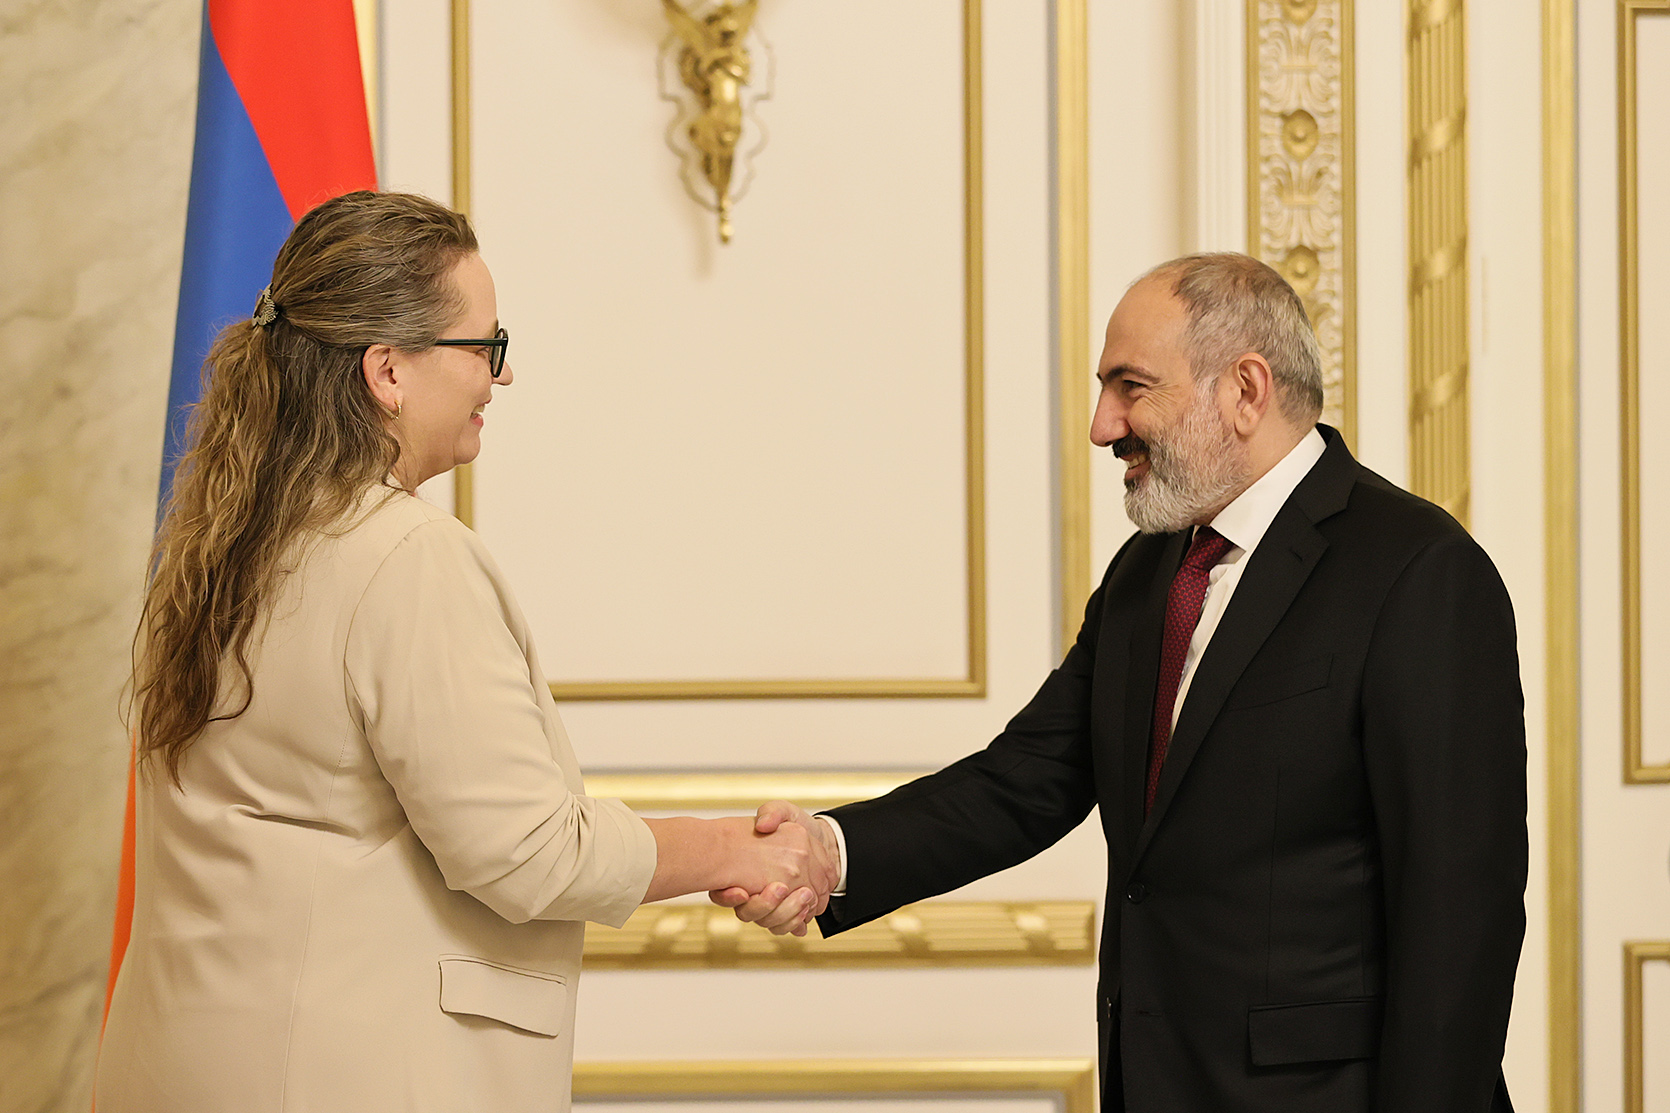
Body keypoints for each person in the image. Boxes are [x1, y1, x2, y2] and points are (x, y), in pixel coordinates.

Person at [717, 253, 1527, 1112]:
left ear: (1245, 390)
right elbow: (1023, 781)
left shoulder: (1419, 571)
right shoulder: (1149, 574)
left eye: (1130, 387)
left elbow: (1459, 917)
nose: (1104, 425)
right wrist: (831, 850)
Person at [95, 190, 836, 1113]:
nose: (502, 375)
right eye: (486, 346)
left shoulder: (216, 545)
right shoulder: (406, 556)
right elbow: (529, 851)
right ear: (387, 371)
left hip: (177, 1065)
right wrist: (735, 847)